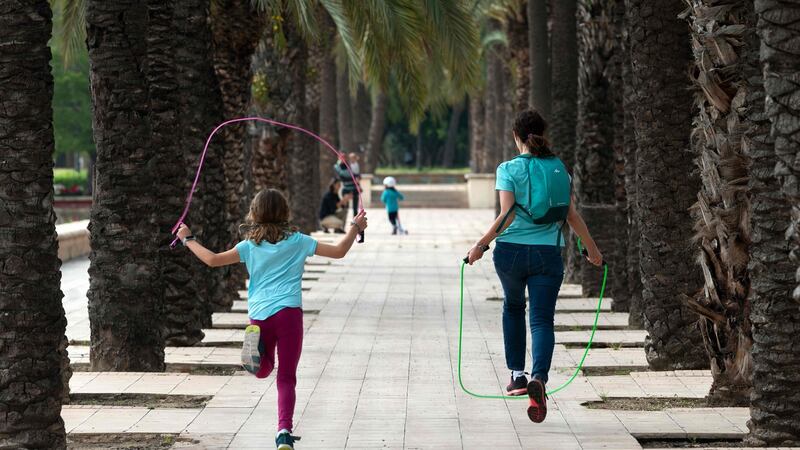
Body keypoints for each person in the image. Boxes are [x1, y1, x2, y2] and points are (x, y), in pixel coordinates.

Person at [176, 189, 368, 450]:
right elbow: (338, 251)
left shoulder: (249, 246)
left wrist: (188, 239)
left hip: (259, 316)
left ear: (254, 213)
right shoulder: (298, 241)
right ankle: (284, 432)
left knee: (264, 369)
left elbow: (212, 260)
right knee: (287, 377)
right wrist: (355, 227)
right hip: (289, 314)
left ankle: (258, 359)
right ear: (284, 213)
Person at [465, 109, 602, 424]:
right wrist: (591, 249)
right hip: (548, 254)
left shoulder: (508, 169)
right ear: (543, 134)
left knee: (513, 308)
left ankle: (517, 376)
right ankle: (539, 376)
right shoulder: (559, 171)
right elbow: (571, 215)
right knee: (542, 320)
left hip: (511, 253)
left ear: (516, 137)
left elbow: (507, 215)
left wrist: (481, 245)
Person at [333, 152, 361, 219]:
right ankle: (341, 225)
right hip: (346, 189)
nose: (342, 159)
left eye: (343, 157)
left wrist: (357, 178)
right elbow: (339, 176)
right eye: (340, 157)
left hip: (354, 189)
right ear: (338, 158)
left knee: (355, 209)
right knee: (344, 208)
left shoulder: (350, 165)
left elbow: (357, 175)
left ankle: (355, 224)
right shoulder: (337, 167)